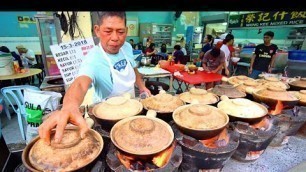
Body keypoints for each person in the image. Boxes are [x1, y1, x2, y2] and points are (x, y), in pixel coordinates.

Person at [38, 11, 151, 144]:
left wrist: (142, 87)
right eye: (108, 31)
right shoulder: (93, 59)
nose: (115, 38)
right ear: (97, 30)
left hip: (132, 109)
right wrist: (69, 107)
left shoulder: (126, 47)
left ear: (126, 31)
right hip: (108, 118)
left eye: (120, 32)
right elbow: (80, 84)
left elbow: (133, 68)